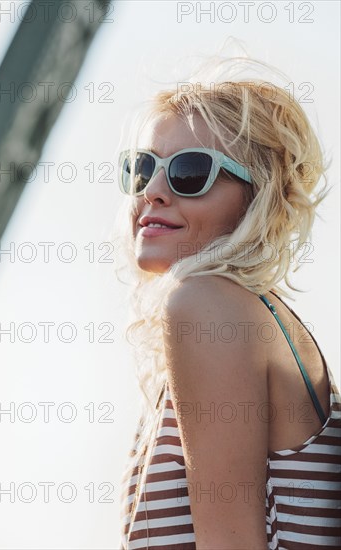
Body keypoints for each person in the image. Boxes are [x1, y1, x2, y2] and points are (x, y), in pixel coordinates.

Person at [112, 57, 341, 549]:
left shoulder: (206, 305)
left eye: (189, 173)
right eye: (143, 167)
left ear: (257, 197)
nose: (152, 192)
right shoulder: (254, 316)